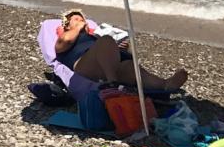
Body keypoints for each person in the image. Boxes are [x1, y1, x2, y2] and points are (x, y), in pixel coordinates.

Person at [54, 9, 188, 91]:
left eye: (82, 19)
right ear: (67, 25)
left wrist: (122, 49)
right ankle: (112, 84)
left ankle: (165, 85)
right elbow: (65, 42)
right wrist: (76, 27)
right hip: (83, 65)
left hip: (107, 67)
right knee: (106, 40)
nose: (81, 21)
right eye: (76, 19)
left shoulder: (94, 37)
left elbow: (122, 55)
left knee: (130, 66)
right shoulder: (65, 36)